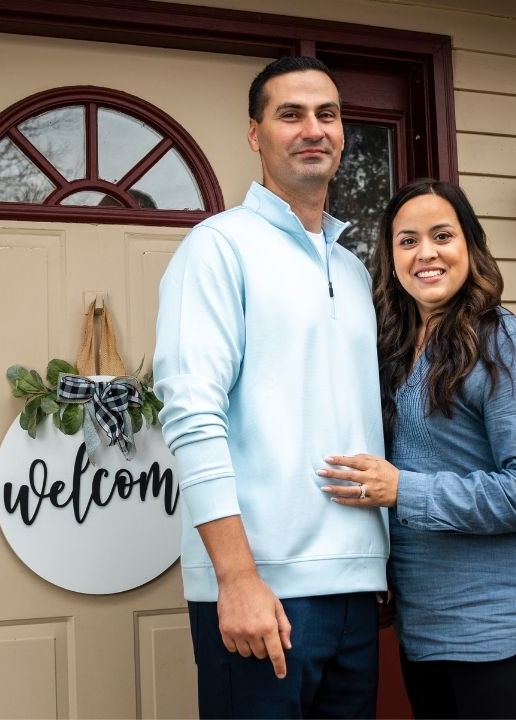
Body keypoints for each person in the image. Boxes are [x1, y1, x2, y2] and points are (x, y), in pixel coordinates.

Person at [153, 56, 388, 719]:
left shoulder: (352, 267)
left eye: (328, 114)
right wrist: (235, 577)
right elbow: (192, 415)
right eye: (291, 114)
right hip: (264, 591)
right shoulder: (218, 248)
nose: (314, 129)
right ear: (255, 134)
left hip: (358, 593)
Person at [319, 179, 516, 719]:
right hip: (426, 626)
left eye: (442, 235)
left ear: (470, 245)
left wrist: (402, 491)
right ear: (390, 257)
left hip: (504, 627)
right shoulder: (393, 347)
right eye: (407, 241)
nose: (426, 254)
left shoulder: (505, 345)